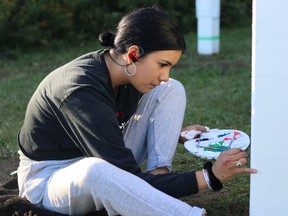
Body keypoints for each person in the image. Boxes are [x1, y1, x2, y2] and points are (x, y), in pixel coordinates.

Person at [16, 6, 256, 216]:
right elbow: (123, 176)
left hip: (98, 155)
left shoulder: (124, 72)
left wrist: (172, 134)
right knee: (98, 172)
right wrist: (209, 177)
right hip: (51, 178)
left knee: (171, 89)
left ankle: (159, 175)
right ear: (133, 54)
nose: (164, 75)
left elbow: (115, 133)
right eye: (162, 65)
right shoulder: (80, 91)